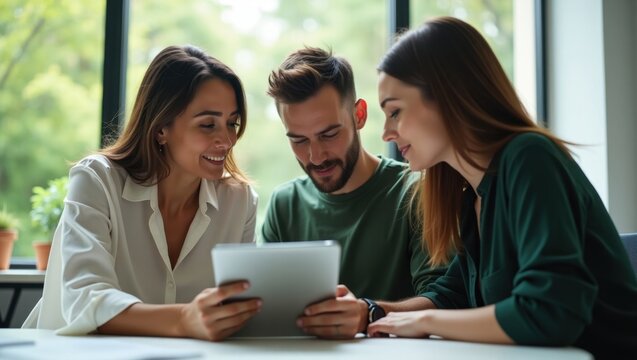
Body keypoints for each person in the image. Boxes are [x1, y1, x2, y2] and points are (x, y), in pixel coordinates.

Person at [369, 16, 637, 358]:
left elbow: (549, 311)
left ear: (448, 96)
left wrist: (426, 321)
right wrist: (372, 312)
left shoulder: (530, 159)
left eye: (394, 112)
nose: (386, 133)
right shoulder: (473, 194)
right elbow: (451, 295)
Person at [23, 45, 262, 341]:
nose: (226, 140)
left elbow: (241, 306)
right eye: (207, 124)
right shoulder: (97, 180)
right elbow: (84, 299)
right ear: (161, 128)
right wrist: (184, 319)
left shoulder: (240, 201)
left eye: (232, 123)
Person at [262, 47, 446, 339]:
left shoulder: (414, 192)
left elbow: (442, 300)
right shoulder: (284, 205)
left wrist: (368, 312)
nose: (316, 156)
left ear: (359, 115)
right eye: (298, 140)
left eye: (329, 134)